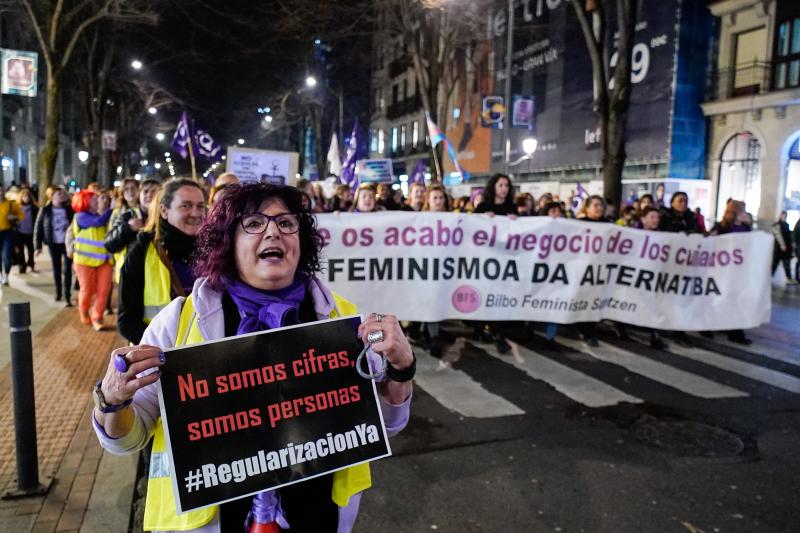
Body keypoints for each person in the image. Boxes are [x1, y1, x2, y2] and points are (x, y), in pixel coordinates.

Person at [91, 183, 412, 532]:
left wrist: (401, 368)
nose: (274, 231)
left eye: (287, 223)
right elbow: (126, 440)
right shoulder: (179, 323)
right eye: (254, 223)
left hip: (318, 518)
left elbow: (386, 425)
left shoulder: (342, 320)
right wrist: (111, 401)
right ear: (229, 243)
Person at [117, 178, 207, 345]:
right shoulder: (142, 251)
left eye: (200, 206)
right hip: (158, 361)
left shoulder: (214, 250)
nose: (195, 213)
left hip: (206, 359)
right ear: (164, 211)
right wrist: (168, 352)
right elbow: (126, 322)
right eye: (186, 205)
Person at [472, 174, 517, 353]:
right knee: (486, 297)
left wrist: (516, 221)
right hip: (485, 261)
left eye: (506, 185)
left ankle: (499, 335)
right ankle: (483, 328)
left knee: (498, 299)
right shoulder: (483, 207)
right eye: (500, 185)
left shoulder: (511, 208)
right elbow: (471, 229)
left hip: (504, 262)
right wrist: (482, 219)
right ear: (494, 187)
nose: (504, 189)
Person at [708, 201, 753, 344]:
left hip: (738, 271)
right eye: (742, 211)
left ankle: (734, 332)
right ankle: (716, 327)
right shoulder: (723, 227)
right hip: (723, 270)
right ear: (735, 213)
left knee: (736, 300)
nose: (745, 214)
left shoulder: (745, 228)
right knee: (721, 299)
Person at [72, 189, 113, 330]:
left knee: (103, 292)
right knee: (87, 291)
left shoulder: (102, 215)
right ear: (85, 202)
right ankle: (84, 311)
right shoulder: (81, 217)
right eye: (94, 199)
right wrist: (111, 209)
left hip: (105, 261)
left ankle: (97, 318)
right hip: (84, 262)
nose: (98, 201)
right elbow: (99, 222)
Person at [105, 178, 160, 283]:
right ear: (140, 194)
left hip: (157, 278)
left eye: (154, 191)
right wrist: (128, 228)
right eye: (146, 191)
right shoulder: (126, 215)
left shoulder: (166, 216)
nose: (149, 195)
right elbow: (109, 243)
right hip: (129, 274)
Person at [34, 187, 74, 305]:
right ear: (52, 197)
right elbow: (38, 227)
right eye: (58, 194)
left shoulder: (69, 209)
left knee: (67, 270)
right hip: (53, 243)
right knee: (56, 269)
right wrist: (38, 246)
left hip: (67, 244)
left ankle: (67, 295)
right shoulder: (45, 210)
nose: (61, 196)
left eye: (62, 194)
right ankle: (58, 292)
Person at [0, 185, 24, 286]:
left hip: (7, 232)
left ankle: (6, 275)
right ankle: (1, 275)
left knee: (7, 255)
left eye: (2, 190)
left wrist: (14, 217)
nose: (0, 192)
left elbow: (21, 215)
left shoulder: (10, 204)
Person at [15, 187, 38, 273]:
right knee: (20, 251)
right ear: (21, 197)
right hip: (20, 233)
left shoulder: (34, 208)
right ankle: (22, 266)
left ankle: (31, 264)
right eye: (24, 196)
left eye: (28, 196)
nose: (26, 198)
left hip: (31, 233)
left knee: (31, 250)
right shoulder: (17, 208)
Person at [771, 211, 795, 284]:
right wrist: (782, 246)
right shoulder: (776, 225)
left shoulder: (786, 224)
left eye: (785, 215)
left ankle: (789, 278)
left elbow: (789, 236)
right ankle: (769, 277)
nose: (784, 217)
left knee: (787, 264)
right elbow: (778, 236)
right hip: (779, 249)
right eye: (783, 215)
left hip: (786, 249)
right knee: (774, 264)